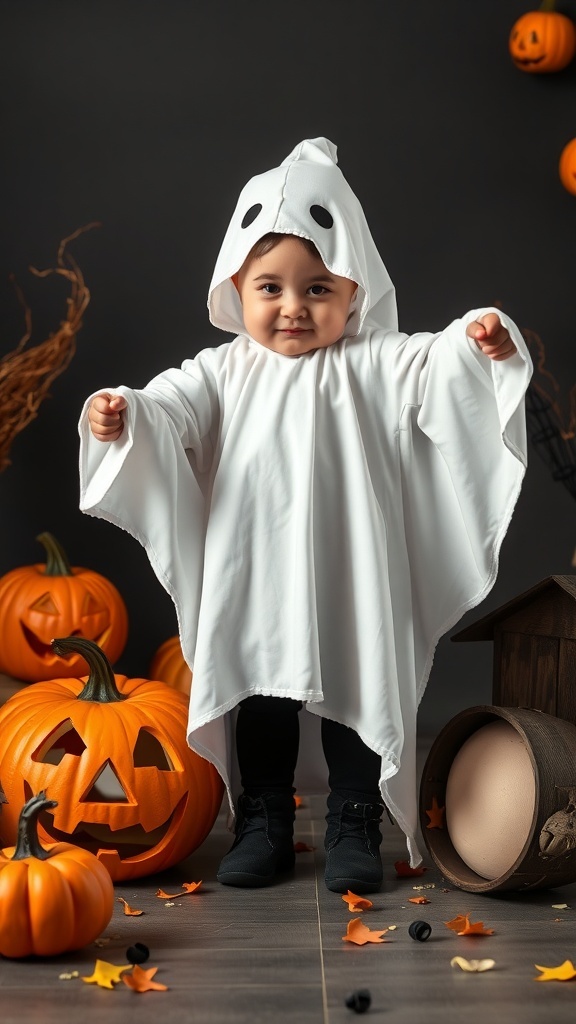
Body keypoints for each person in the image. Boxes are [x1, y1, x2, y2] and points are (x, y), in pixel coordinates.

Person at [80, 137, 532, 894]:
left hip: (351, 562)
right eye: (271, 288)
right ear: (238, 288)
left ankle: (355, 815)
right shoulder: (223, 371)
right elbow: (169, 411)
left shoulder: (376, 360)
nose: (294, 307)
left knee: (357, 675)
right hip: (251, 563)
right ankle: (265, 817)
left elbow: (437, 365)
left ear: (355, 290)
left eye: (318, 288)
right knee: (260, 684)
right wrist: (124, 415)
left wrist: (476, 342)